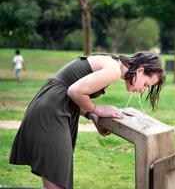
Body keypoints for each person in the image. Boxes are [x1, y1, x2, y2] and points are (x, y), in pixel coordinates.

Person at [9, 51, 166, 189]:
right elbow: (74, 91)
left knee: (57, 178)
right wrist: (97, 109)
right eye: (145, 84)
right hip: (51, 113)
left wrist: (91, 115)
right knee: (57, 180)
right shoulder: (113, 69)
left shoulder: (113, 64)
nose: (142, 90)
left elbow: (69, 90)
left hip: (53, 108)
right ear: (140, 70)